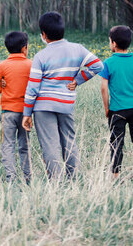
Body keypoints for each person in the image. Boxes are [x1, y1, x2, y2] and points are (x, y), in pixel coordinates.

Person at [22, 12, 103, 179]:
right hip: (66, 104)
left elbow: (33, 88)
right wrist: (78, 80)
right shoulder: (78, 49)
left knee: (50, 145)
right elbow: (98, 65)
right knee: (69, 141)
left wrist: (27, 113)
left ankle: (56, 180)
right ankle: (73, 177)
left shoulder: (40, 56)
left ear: (43, 35)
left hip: (43, 107)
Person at [99, 26, 133, 179]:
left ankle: (115, 174)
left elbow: (104, 87)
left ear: (113, 43)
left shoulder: (108, 63)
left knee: (116, 142)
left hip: (117, 110)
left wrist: (107, 108)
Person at [0, 31, 33, 183]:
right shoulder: (31, 64)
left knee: (8, 145)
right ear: (24, 48)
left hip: (8, 112)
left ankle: (11, 177)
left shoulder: (2, 65)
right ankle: (28, 177)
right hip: (26, 113)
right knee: (25, 146)